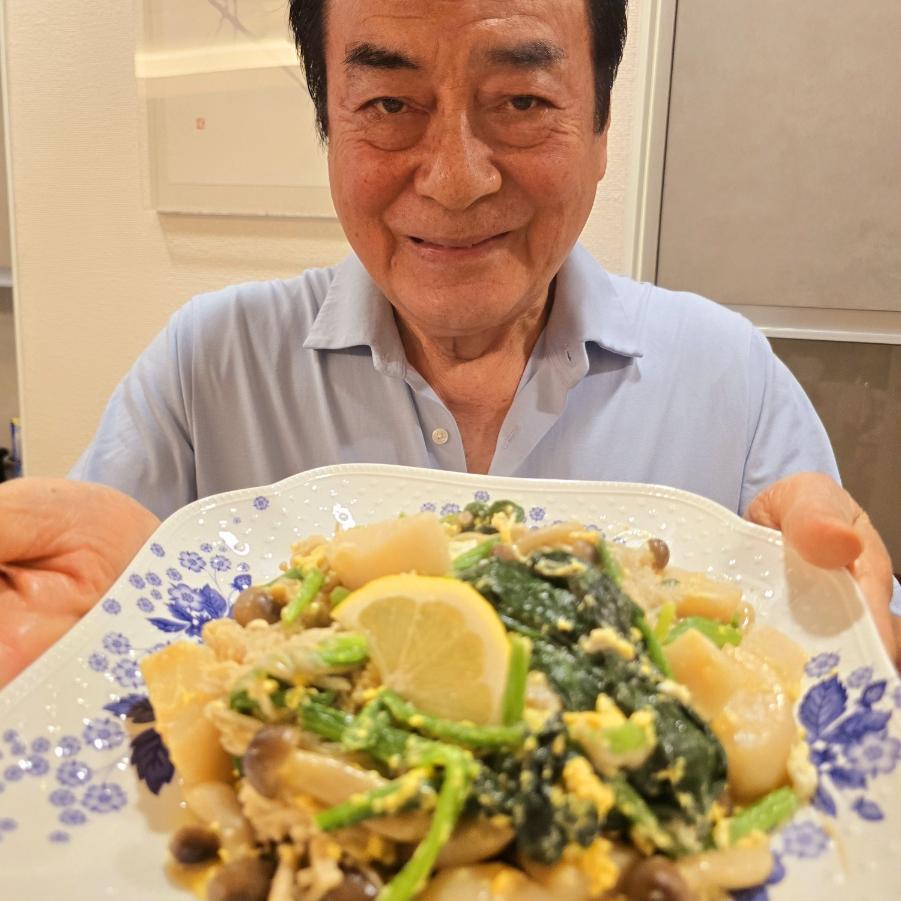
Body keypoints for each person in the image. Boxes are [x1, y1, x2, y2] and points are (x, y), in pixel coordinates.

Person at [1, 0, 898, 686]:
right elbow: (97, 634)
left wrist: (848, 634)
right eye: (389, 102)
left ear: (599, 134)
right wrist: (79, 657)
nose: (455, 179)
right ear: (329, 126)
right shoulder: (210, 367)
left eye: (521, 100)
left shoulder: (728, 377)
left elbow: (848, 664)